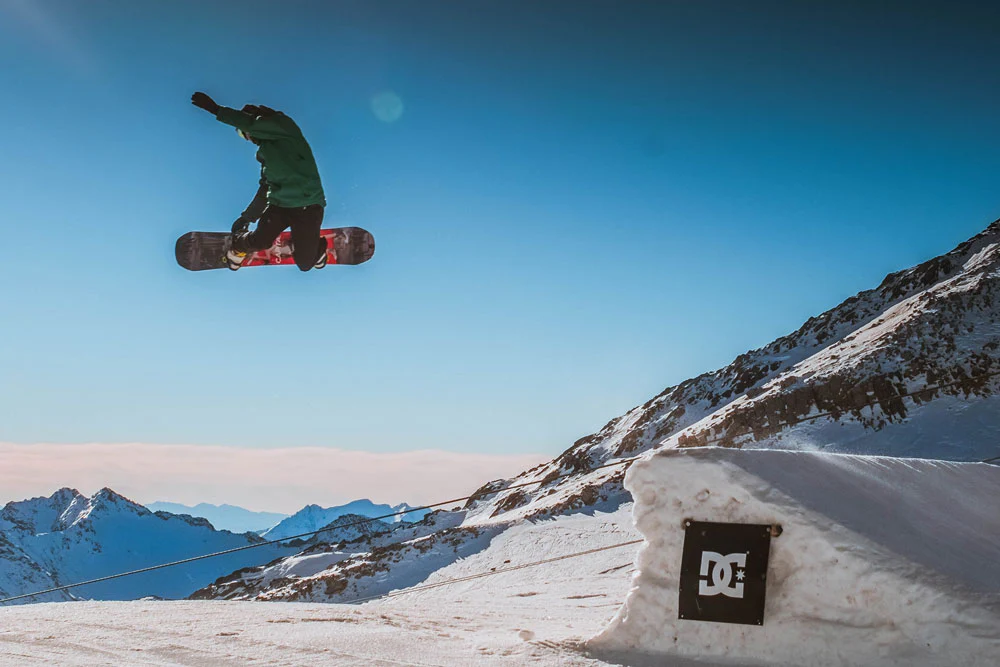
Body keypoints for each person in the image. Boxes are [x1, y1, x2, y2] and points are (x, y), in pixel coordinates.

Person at [191, 92, 328, 271]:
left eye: (244, 134)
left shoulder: (285, 128)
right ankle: (238, 247)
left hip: (307, 205)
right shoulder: (265, 155)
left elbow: (251, 124)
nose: (247, 138)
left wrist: (216, 110)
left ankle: (312, 247)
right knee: (259, 241)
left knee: (305, 264)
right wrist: (246, 217)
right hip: (280, 206)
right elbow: (265, 189)